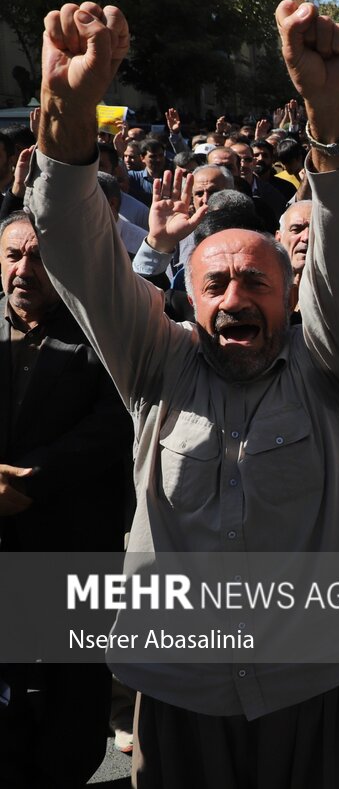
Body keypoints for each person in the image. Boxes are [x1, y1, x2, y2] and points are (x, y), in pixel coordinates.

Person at [28, 0, 339, 786]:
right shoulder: (156, 366)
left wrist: (330, 112)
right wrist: (67, 111)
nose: (236, 297)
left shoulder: (330, 369)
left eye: (256, 281)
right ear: (189, 299)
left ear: (290, 295)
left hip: (325, 689)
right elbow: (73, 245)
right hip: (184, 696)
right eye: (217, 283)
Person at [0, 210, 134, 788]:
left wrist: (31, 480)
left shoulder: (100, 330)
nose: (24, 269)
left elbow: (115, 423)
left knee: (74, 681)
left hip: (74, 538)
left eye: (38, 257)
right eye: (13, 255)